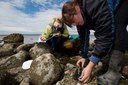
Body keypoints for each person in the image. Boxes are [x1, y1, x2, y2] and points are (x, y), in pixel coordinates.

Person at [62, 0, 128, 85]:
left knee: (117, 26)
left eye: (73, 20)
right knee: (107, 31)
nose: (75, 24)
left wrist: (90, 66)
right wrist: (83, 56)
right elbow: (84, 37)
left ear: (76, 9)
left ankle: (114, 71)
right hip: (106, 8)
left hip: (122, 3)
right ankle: (107, 57)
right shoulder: (80, 18)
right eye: (72, 24)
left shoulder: (95, 5)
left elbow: (105, 35)